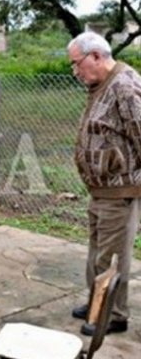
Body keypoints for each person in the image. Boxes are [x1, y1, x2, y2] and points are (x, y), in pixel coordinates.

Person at [68, 31, 141, 336]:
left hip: (119, 190)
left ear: (96, 56)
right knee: (97, 253)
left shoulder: (125, 86)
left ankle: (113, 314)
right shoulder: (101, 84)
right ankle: (96, 301)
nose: (75, 71)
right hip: (101, 190)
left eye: (77, 63)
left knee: (112, 258)